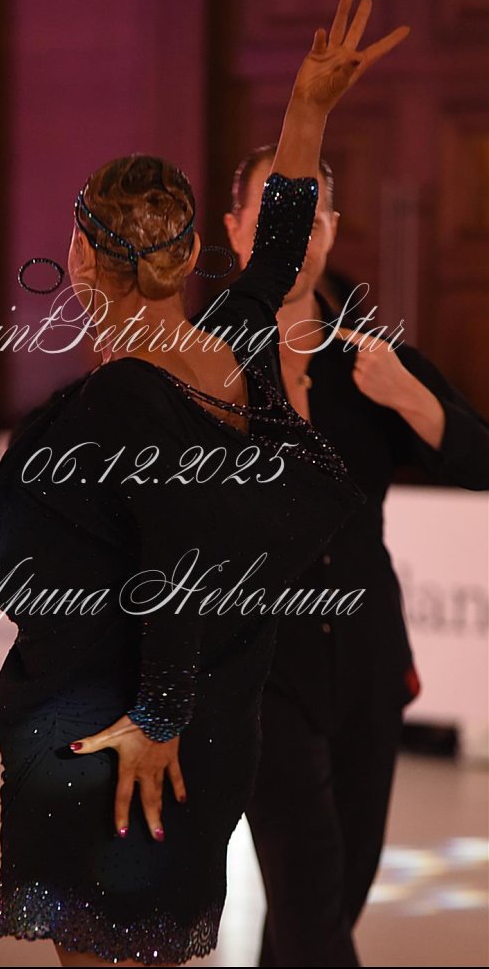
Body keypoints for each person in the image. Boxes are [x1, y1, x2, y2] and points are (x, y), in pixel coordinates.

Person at [0, 0, 408, 968]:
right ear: (190, 252)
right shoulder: (231, 348)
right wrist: (306, 112)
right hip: (210, 720)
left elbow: (177, 559)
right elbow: (278, 250)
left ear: (83, 254)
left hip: (125, 730)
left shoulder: (123, 393)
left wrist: (155, 717)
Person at [217, 140, 489, 965]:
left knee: (331, 899)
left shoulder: (369, 355)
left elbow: (479, 458)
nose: (292, 236)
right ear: (235, 230)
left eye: (310, 219)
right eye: (272, 216)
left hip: (367, 661)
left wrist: (407, 397)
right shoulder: (202, 359)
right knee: (310, 900)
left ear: (332, 230)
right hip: (259, 668)